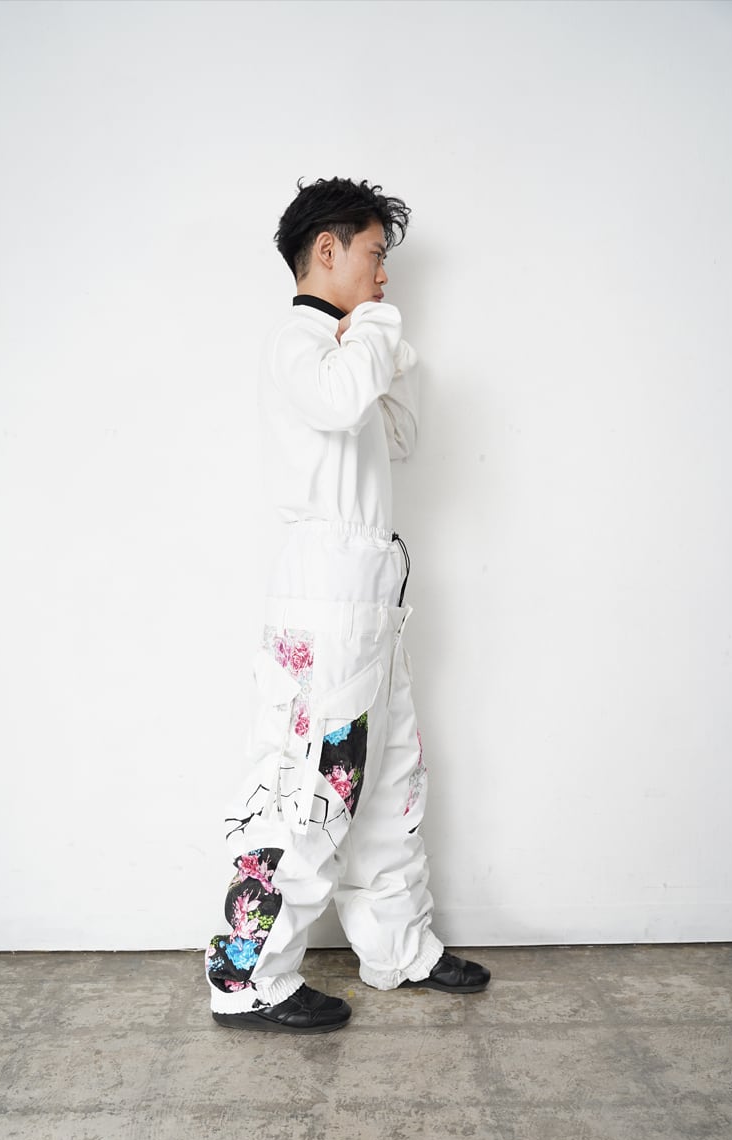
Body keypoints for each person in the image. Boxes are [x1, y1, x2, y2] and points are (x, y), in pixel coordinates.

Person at [204, 177, 491, 1033]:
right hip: (326, 595)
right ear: (325, 250)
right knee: (312, 785)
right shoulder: (299, 342)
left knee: (390, 777)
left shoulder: (346, 351)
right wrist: (375, 328)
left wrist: (388, 352)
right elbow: (338, 400)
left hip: (372, 592)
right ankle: (247, 978)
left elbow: (398, 434)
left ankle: (398, 946)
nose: (383, 276)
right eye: (374, 254)